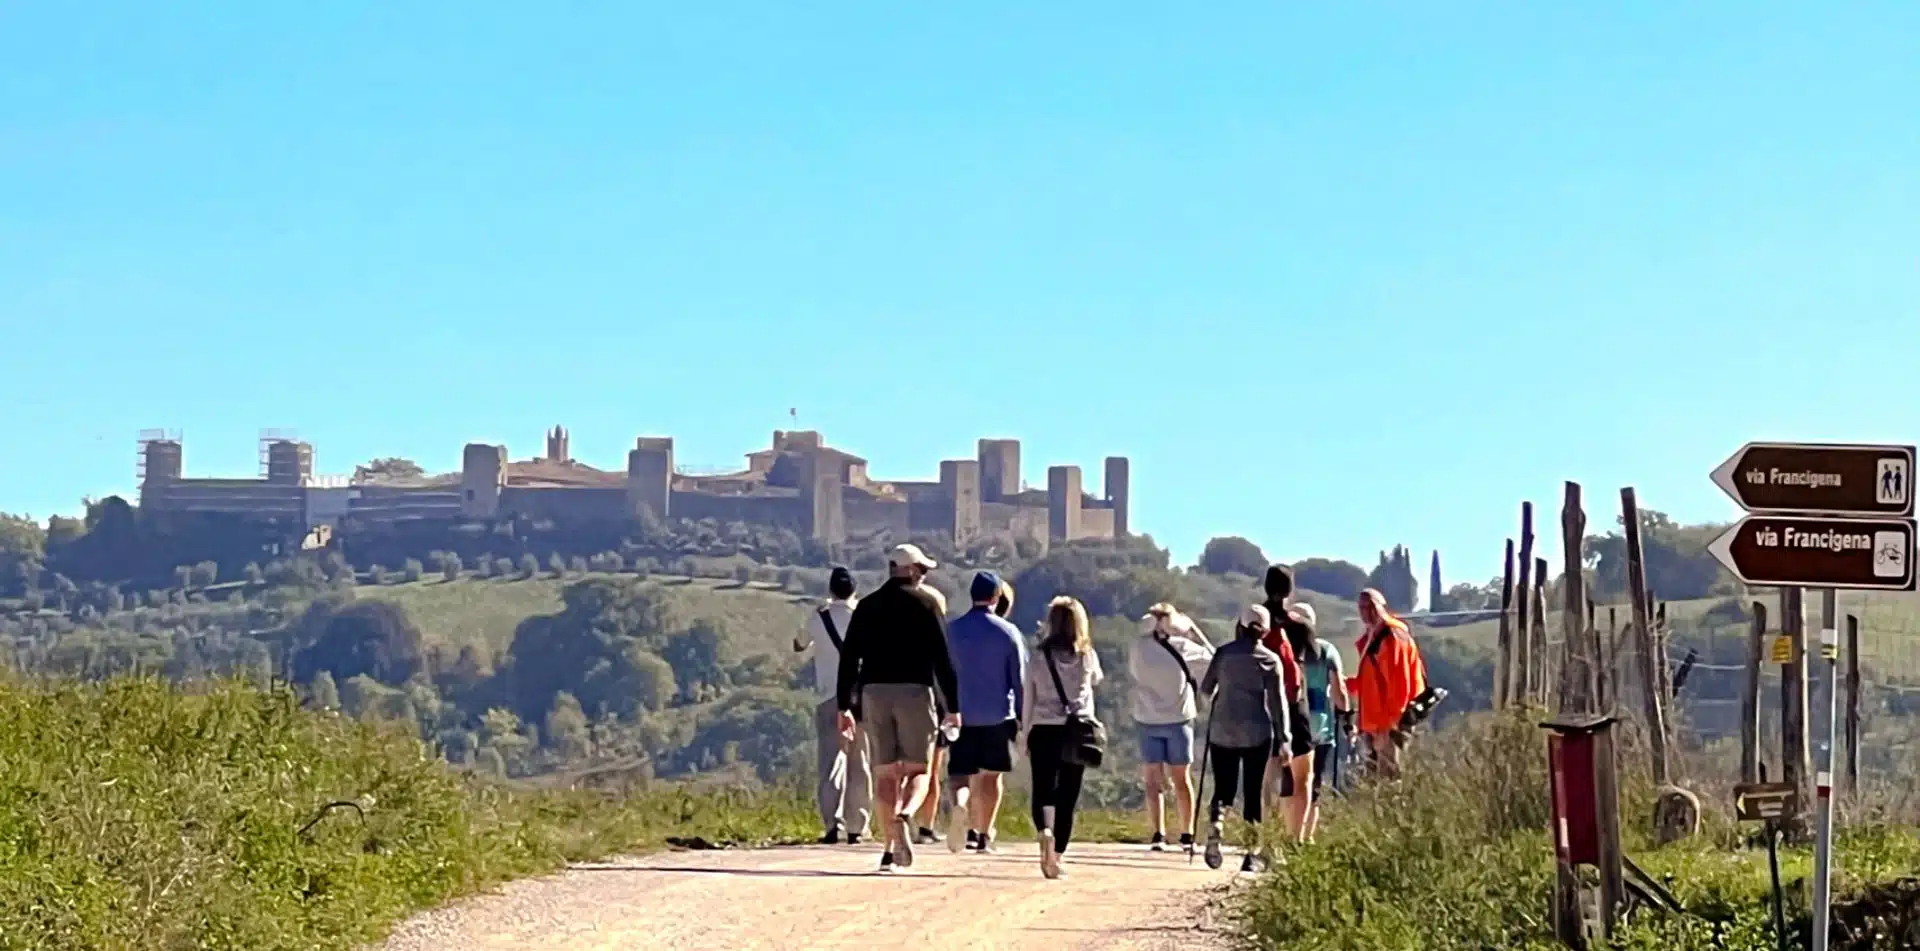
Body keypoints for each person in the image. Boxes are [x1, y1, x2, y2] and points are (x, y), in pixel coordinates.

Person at [836, 544, 961, 872]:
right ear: (912, 570)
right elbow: (943, 661)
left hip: (874, 694)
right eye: (922, 569)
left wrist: (844, 706)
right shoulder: (927, 604)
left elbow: (850, 659)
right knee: (919, 770)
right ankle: (906, 815)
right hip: (914, 692)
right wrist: (953, 706)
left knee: (885, 774)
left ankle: (890, 849)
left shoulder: (866, 606)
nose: (924, 575)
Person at [1198, 604, 1291, 873]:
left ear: (1239, 626)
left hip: (1222, 730)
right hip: (1257, 732)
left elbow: (1206, 689)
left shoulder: (1224, 654)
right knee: (1252, 794)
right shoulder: (1270, 660)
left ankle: (1217, 820)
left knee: (1224, 788)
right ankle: (1251, 855)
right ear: (1264, 632)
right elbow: (1278, 703)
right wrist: (1284, 738)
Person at [943, 570, 1028, 853]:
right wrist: (1022, 716)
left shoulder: (952, 631)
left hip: (960, 714)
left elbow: (941, 673)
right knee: (992, 776)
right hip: (997, 715)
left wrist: (944, 708)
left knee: (960, 775)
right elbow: (1019, 678)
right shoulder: (1007, 632)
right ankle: (983, 835)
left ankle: (960, 806)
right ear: (996, 597)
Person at [1021, 595, 1103, 880]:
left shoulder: (1038, 656)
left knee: (1043, 788)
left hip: (1043, 728)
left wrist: (1025, 734)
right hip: (1075, 730)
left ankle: (1044, 829)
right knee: (1068, 793)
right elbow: (1096, 681)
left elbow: (1028, 697)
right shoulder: (1086, 655)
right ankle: (1056, 855)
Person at [1126, 602, 1214, 853]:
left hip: (1146, 718)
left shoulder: (1137, 647)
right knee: (1181, 778)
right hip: (1179, 719)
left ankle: (1158, 834)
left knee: (1153, 778)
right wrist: (1193, 633)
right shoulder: (1183, 647)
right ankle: (1188, 834)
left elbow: (1134, 674)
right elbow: (1213, 658)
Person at [792, 565, 870, 845]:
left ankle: (831, 824)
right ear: (855, 590)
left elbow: (799, 644)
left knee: (830, 761)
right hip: (860, 696)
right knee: (859, 761)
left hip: (828, 695)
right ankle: (857, 826)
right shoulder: (865, 615)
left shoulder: (819, 617)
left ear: (831, 590)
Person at [1275, 604, 1349, 844]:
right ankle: (1306, 838)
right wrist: (1347, 716)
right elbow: (1340, 691)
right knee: (1312, 786)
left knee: (1289, 784)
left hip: (1290, 724)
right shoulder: (1327, 651)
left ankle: (1288, 833)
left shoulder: (1283, 652)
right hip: (1322, 726)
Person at [1353, 588, 1426, 780]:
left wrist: (1388, 726)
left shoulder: (1392, 636)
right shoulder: (1374, 637)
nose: (1366, 612)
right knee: (1374, 780)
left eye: (1371, 606)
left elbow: (1400, 685)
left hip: (1390, 723)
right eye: (1362, 607)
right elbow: (1370, 681)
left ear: (1382, 607)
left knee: (1389, 779)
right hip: (1373, 723)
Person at [1256, 565, 1305, 816]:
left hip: (1257, 704)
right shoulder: (1299, 627)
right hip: (1291, 705)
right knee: (1295, 775)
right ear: (1290, 590)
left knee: (1264, 776)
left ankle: (1261, 827)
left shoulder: (1252, 623)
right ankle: (1286, 829)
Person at [911, 581, 953, 846]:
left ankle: (901, 816)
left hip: (900, 700)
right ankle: (925, 825)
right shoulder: (939, 638)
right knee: (932, 768)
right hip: (933, 704)